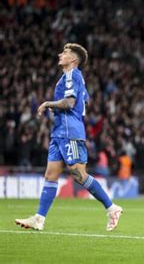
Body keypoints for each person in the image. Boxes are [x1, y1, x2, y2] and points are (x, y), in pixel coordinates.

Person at [15, 43, 123, 231]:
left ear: (73, 59)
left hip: (69, 132)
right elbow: (84, 101)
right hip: (59, 132)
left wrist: (47, 103)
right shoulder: (68, 77)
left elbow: (70, 102)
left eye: (64, 53)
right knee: (51, 174)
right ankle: (39, 218)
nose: (60, 54)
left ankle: (112, 208)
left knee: (78, 174)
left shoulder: (73, 74)